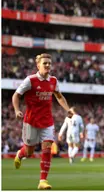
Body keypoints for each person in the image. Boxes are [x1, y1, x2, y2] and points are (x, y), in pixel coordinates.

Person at [12, 53, 71, 189]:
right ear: (38, 65)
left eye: (49, 63)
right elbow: (16, 95)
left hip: (47, 121)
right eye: (45, 63)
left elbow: (59, 96)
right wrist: (16, 110)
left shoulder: (53, 81)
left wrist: (67, 109)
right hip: (31, 121)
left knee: (47, 148)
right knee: (29, 152)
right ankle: (20, 154)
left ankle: (42, 181)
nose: (48, 65)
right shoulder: (30, 80)